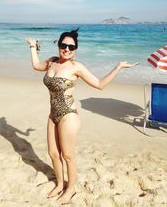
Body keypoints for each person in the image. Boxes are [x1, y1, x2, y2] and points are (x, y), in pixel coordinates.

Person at [26, 29, 137, 205]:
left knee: (67, 155)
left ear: (75, 49)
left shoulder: (76, 67)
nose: (67, 49)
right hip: (52, 114)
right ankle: (60, 183)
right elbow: (36, 65)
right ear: (59, 45)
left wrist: (118, 68)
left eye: (71, 46)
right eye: (64, 45)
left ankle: (71, 189)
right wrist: (33, 47)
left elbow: (99, 84)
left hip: (68, 115)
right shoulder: (51, 62)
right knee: (53, 154)